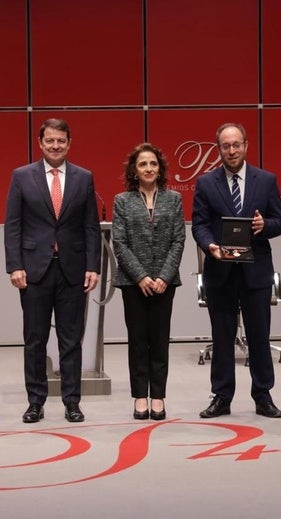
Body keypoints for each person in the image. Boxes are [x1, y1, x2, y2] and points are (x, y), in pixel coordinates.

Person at [4, 118, 101, 423]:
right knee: (34, 339)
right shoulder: (21, 176)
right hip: (34, 272)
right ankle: (35, 401)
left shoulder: (84, 178)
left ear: (69, 143)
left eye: (61, 141)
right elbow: (14, 225)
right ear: (40, 142)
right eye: (50, 141)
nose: (56, 146)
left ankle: (72, 401)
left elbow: (91, 227)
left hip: (72, 271)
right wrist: (14, 265)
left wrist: (92, 266)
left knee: (71, 340)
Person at [191, 122, 281, 418]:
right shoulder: (206, 183)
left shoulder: (266, 180)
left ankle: (263, 395)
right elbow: (199, 225)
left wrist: (264, 225)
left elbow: (279, 221)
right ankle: (221, 396)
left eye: (236, 145)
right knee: (222, 337)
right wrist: (209, 246)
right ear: (218, 149)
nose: (231, 151)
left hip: (256, 271)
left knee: (259, 335)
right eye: (225, 146)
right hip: (220, 271)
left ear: (246, 145)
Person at [112, 143, 185, 420]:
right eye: (143, 164)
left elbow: (179, 240)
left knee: (160, 341)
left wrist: (164, 276)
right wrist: (141, 276)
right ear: (134, 170)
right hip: (133, 284)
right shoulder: (122, 200)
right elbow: (119, 242)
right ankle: (140, 396)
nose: (148, 168)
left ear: (160, 168)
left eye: (153, 163)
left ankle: (159, 396)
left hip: (165, 284)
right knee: (138, 341)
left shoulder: (173, 199)